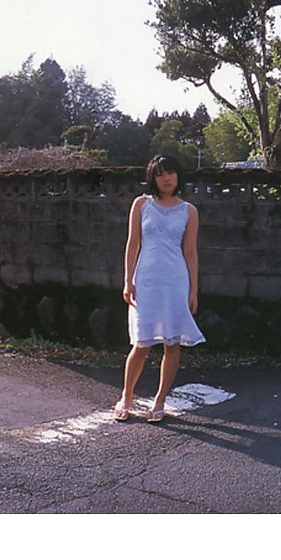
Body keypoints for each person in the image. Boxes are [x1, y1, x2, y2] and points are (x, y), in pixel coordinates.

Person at [114, 155, 206, 423]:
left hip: (175, 280)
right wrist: (128, 280)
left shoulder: (189, 211)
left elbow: (190, 252)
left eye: (171, 173)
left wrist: (193, 289)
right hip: (146, 280)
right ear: (152, 178)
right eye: (160, 174)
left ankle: (160, 400)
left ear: (178, 176)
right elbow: (132, 244)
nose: (166, 179)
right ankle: (127, 396)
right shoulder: (141, 204)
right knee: (141, 343)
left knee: (172, 343)